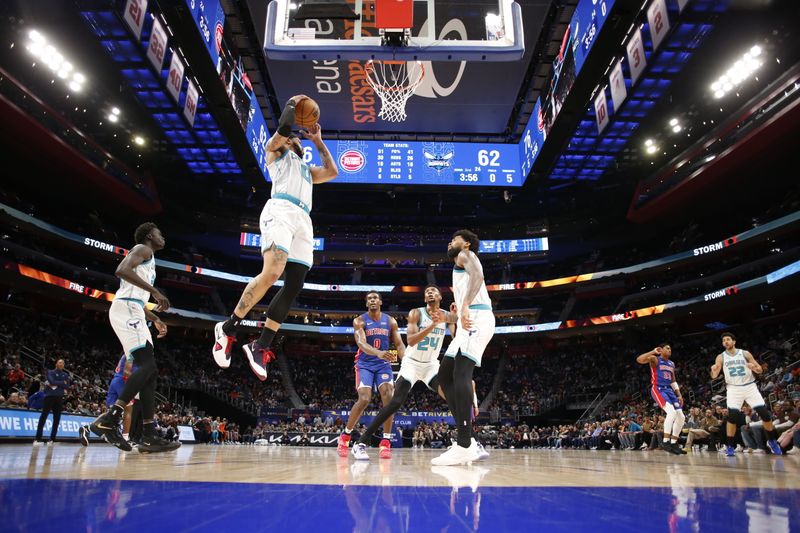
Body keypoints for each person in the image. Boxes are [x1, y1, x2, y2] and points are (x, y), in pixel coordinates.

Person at [212, 95, 338, 379]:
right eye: (296, 138)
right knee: (272, 273)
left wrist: (317, 141)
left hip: (303, 220)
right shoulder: (275, 152)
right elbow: (282, 129)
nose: (297, 140)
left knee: (294, 284)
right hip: (280, 209)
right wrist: (292, 106)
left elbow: (333, 171)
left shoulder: (307, 170)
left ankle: (261, 345)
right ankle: (228, 328)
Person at [89, 222, 177, 453]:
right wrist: (156, 292)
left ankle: (148, 434)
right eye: (159, 232)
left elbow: (135, 297)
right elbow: (121, 270)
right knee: (147, 365)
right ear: (149, 236)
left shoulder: (149, 257)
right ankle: (110, 419)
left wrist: (155, 318)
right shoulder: (142, 248)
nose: (162, 236)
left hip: (134, 309)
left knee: (151, 372)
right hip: (126, 309)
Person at [351, 286, 458, 460]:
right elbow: (411, 340)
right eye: (427, 292)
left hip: (431, 365)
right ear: (425, 299)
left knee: (452, 396)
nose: (430, 292)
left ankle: (467, 442)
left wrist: (457, 315)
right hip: (411, 363)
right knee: (395, 402)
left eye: (433, 291)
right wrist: (433, 325)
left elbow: (457, 337)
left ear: (440, 296)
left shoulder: (447, 315)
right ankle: (361, 442)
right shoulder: (416, 313)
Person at [432, 230, 496, 466]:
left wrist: (466, 305)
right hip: (467, 321)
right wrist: (451, 315)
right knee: (445, 374)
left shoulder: (466, 255)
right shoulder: (460, 264)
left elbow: (478, 275)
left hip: (476, 317)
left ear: (466, 243)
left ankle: (464, 444)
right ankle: (469, 439)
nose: (451, 241)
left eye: (455, 238)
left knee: (461, 373)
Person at [337, 292, 406, 458]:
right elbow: (361, 343)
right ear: (366, 303)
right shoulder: (359, 321)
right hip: (365, 364)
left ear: (380, 301)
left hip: (383, 365)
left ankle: (386, 442)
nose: (372, 300)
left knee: (389, 397)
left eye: (375, 298)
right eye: (369, 299)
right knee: (365, 399)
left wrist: (407, 362)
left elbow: (398, 343)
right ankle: (345, 436)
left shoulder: (390, 321)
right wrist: (379, 353)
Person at [710, 332, 782, 456]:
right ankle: (730, 446)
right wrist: (714, 371)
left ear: (734, 341)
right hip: (733, 389)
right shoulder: (720, 357)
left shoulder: (745, 353)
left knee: (765, 414)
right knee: (732, 417)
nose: (726, 342)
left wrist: (754, 367)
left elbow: (759, 369)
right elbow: (714, 375)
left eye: (728, 339)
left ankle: (771, 441)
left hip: (749, 386)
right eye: (723, 341)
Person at [636, 343, 686, 455]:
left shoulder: (671, 363)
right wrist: (653, 351)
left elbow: (673, 380)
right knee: (671, 413)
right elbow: (639, 359)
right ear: (661, 350)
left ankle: (673, 443)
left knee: (681, 417)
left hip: (669, 390)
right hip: (658, 389)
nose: (669, 350)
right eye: (667, 348)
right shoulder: (655, 359)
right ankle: (665, 441)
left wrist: (679, 395)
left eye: (670, 348)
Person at [79, 354, 137, 447]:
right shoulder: (132, 353)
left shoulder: (128, 352)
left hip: (115, 380)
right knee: (128, 410)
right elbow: (127, 373)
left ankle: (86, 428)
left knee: (111, 412)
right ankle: (126, 438)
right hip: (123, 381)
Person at [34, 359, 70, 445]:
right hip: (49, 396)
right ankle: (37, 439)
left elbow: (67, 385)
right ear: (56, 364)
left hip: (59, 398)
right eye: (60, 362)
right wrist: (61, 383)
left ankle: (52, 439)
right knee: (44, 416)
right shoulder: (50, 372)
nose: (61, 364)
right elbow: (51, 381)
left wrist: (56, 383)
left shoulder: (65, 374)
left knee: (57, 418)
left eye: (63, 363)